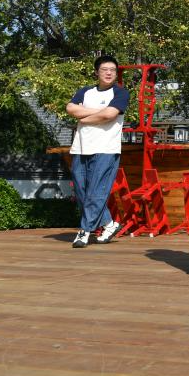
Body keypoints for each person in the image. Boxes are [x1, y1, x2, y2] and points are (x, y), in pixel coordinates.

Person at [66, 55, 130, 248]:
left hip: (105, 149)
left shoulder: (120, 93)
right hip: (81, 147)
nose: (109, 73)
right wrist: (99, 112)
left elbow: (109, 114)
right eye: (104, 69)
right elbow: (70, 109)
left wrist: (84, 115)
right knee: (81, 191)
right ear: (96, 72)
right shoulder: (85, 91)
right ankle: (109, 224)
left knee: (96, 192)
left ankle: (84, 231)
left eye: (112, 70)